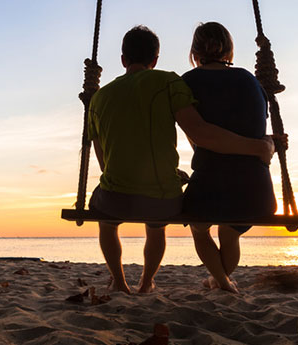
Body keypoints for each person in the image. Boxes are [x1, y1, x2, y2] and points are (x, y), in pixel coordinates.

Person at [87, 25, 275, 294]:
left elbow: (104, 161)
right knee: (159, 224)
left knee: (106, 221)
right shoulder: (170, 83)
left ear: (123, 60)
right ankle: (147, 282)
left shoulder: (99, 97)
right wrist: (262, 146)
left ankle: (118, 281)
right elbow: (200, 131)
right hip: (169, 201)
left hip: (119, 196)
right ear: (155, 60)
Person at [181, 21, 279, 293]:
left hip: (209, 189)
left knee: (199, 229)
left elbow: (204, 137)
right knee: (229, 232)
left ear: (195, 52)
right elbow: (252, 129)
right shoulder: (250, 80)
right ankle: (221, 280)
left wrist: (261, 145)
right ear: (229, 50)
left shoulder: (186, 83)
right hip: (256, 194)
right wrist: (264, 145)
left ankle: (222, 281)